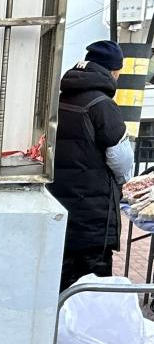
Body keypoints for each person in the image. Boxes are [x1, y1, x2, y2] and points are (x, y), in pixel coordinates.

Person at [49, 39, 136, 291]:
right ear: (113, 71)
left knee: (60, 284)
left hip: (59, 208)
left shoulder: (60, 99)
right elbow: (121, 161)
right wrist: (122, 183)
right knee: (92, 289)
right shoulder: (102, 105)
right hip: (92, 218)